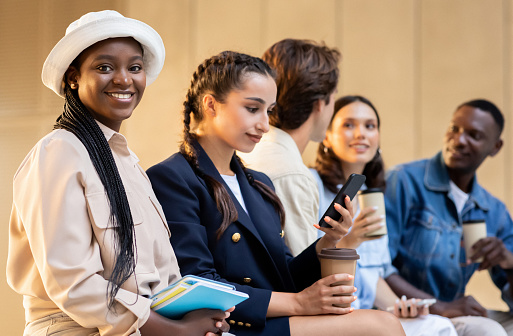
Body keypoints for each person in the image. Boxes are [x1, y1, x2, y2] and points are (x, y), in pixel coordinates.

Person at [147, 51, 405, 336]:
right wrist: (298, 303)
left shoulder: (259, 183)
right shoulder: (172, 177)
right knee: (381, 326)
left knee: (383, 324)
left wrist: (329, 240)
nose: (265, 125)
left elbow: (283, 274)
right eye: (252, 108)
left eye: (268, 111)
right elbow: (198, 282)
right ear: (211, 104)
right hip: (228, 326)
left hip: (270, 319)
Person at [6, 10, 231, 336]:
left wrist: (197, 313)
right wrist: (175, 331)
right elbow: (74, 286)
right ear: (73, 77)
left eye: (134, 67)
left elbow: (162, 276)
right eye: (104, 67)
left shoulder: (129, 165)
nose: (124, 79)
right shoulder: (57, 153)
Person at [311, 95, 458, 336]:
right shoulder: (312, 185)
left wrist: (397, 306)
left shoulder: (372, 196)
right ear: (326, 134)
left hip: (369, 315)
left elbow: (374, 272)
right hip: (329, 314)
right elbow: (304, 263)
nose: (361, 134)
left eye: (370, 126)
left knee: (439, 326)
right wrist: (350, 240)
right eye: (349, 125)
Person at [385, 99, 512, 336]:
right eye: (455, 129)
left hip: (454, 314)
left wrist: (509, 262)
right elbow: (380, 267)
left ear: (495, 147)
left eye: (474, 135)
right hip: (407, 313)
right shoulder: (403, 181)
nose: (459, 140)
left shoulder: (494, 211)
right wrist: (440, 306)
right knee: (489, 332)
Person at [238, 38, 340, 256]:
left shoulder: (245, 149)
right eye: (334, 97)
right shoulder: (293, 175)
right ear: (320, 104)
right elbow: (300, 277)